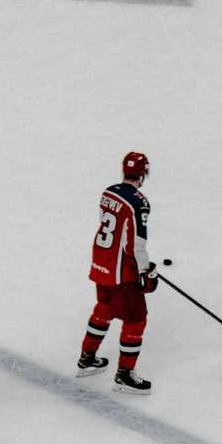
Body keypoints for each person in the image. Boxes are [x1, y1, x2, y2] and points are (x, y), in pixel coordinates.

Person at [77, 152, 157, 396]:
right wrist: (146, 270)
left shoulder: (108, 192)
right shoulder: (139, 202)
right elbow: (135, 244)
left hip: (101, 260)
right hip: (121, 270)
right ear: (143, 174)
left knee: (105, 307)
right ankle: (124, 376)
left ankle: (87, 358)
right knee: (136, 320)